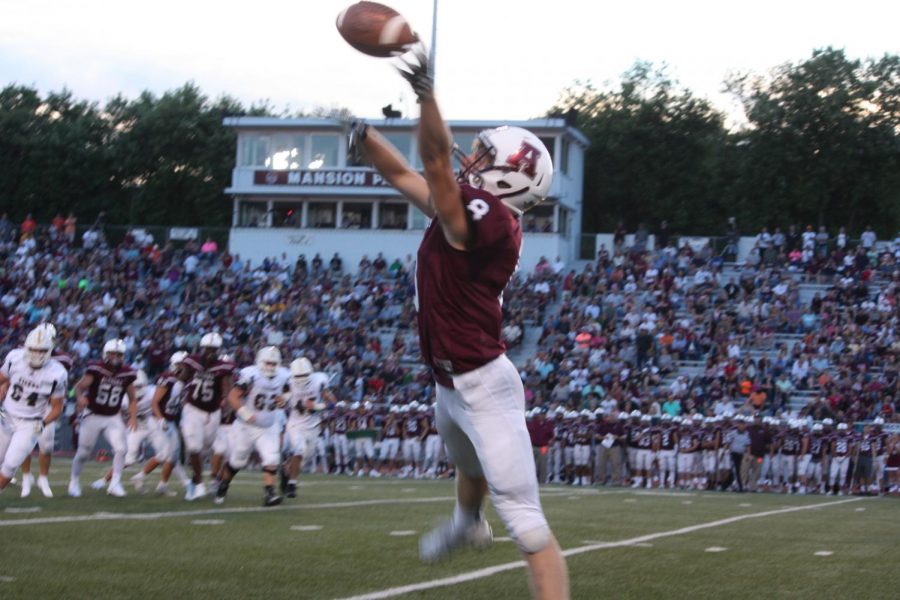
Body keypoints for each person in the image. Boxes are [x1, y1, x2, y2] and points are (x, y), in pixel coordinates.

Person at [353, 44, 568, 598]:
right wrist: (364, 137)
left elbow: (432, 164)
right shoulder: (469, 213)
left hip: (483, 384)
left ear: (511, 179)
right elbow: (404, 173)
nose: (471, 162)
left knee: (527, 524)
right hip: (449, 381)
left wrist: (426, 95)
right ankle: (468, 522)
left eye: (483, 156)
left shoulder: (492, 219)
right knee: (465, 462)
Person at [214, 346, 289, 507]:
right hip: (245, 426)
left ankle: (269, 494)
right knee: (237, 461)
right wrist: (243, 411)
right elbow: (232, 396)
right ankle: (223, 484)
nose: (270, 366)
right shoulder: (250, 375)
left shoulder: (283, 375)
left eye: (273, 363)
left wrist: (284, 399)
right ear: (260, 362)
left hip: (268, 426)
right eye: (268, 363)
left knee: (272, 459)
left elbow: (289, 391)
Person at [0, 325, 68, 494]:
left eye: (42, 350)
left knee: (11, 463)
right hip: (6, 417)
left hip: (30, 424)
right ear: (26, 348)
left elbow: (57, 408)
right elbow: (1, 379)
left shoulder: (57, 373)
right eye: (34, 350)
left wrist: (43, 423)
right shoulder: (14, 359)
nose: (37, 354)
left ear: (50, 350)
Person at [68, 339, 138, 498]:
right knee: (84, 452)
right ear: (105, 354)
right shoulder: (96, 369)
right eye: (112, 353)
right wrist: (79, 398)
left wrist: (133, 417)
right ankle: (74, 482)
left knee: (121, 449)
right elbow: (79, 387)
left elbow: (133, 398)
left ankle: (115, 483)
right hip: (93, 414)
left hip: (112, 416)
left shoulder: (127, 373)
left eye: (119, 354)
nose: (115, 357)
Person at [180, 332, 235, 501]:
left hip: (212, 413)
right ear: (202, 348)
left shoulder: (223, 368)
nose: (210, 352)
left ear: (218, 351)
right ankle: (198, 483)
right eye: (208, 349)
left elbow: (227, 388)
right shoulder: (192, 360)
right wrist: (181, 374)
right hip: (192, 408)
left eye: (214, 350)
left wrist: (226, 401)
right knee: (194, 447)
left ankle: (195, 479)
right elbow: (182, 378)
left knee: (204, 448)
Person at [283, 357, 334, 497]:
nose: (301, 378)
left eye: (304, 375)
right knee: (299, 450)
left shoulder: (319, 380)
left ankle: (286, 471)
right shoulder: (288, 383)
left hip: (313, 425)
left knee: (306, 457)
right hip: (295, 424)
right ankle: (292, 485)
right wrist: (284, 401)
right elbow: (282, 400)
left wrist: (316, 406)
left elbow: (332, 403)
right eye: (298, 376)